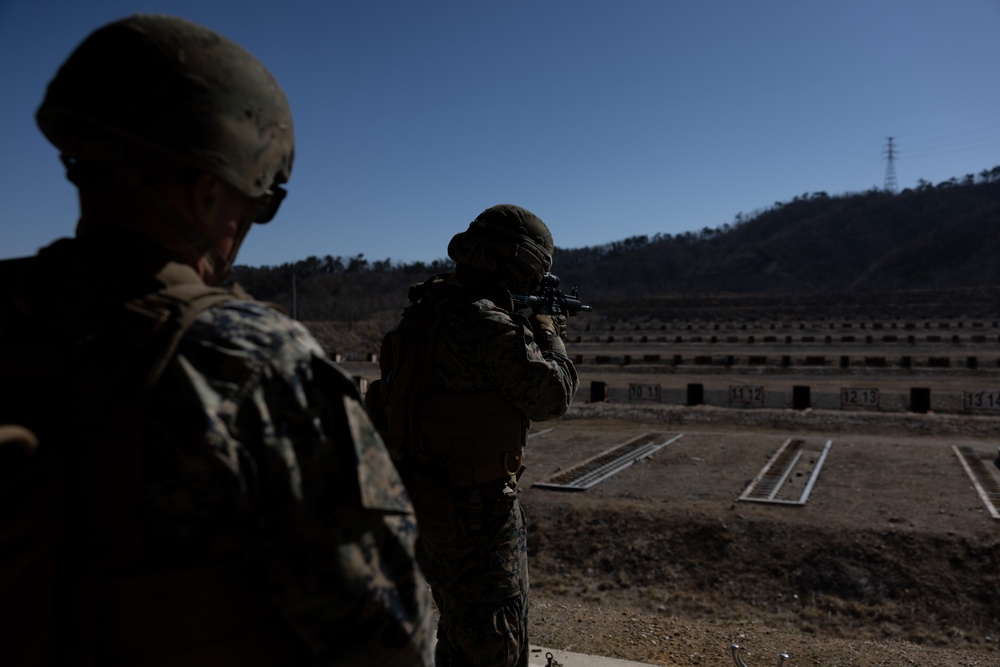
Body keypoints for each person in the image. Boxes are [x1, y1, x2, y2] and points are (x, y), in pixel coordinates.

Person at [0, 14, 432, 666]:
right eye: (258, 203)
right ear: (206, 194)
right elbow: (391, 636)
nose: (246, 225)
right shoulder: (250, 361)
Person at [367, 204, 580, 667]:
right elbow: (551, 397)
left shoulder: (426, 310)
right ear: (517, 262)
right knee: (492, 642)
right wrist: (550, 335)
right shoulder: (484, 323)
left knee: (462, 629)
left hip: (427, 499)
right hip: (476, 513)